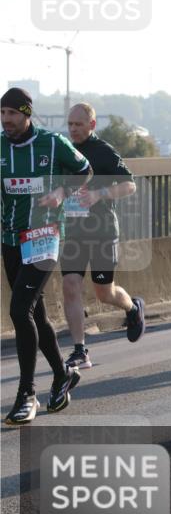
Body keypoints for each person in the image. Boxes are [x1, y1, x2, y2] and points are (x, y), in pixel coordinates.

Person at [1, 88, 91, 425]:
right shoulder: (0, 146)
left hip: (44, 236)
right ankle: (62, 374)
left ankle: (27, 394)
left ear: (27, 114)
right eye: (2, 114)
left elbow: (84, 170)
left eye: (13, 113)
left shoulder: (52, 144)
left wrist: (61, 191)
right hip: (10, 238)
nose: (6, 120)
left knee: (19, 309)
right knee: (35, 313)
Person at [61, 103, 145, 372]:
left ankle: (132, 308)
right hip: (73, 231)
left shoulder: (104, 152)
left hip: (102, 231)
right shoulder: (63, 149)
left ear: (92, 125)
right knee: (70, 285)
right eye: (70, 124)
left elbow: (129, 184)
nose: (73, 129)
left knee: (104, 292)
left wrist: (100, 194)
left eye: (79, 125)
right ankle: (79, 350)